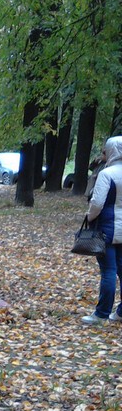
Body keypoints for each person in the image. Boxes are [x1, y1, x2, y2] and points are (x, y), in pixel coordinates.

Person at [81, 135, 122, 325]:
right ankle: (120, 312)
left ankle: (102, 314)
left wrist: (89, 217)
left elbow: (97, 203)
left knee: (108, 272)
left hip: (107, 228)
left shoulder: (107, 174)